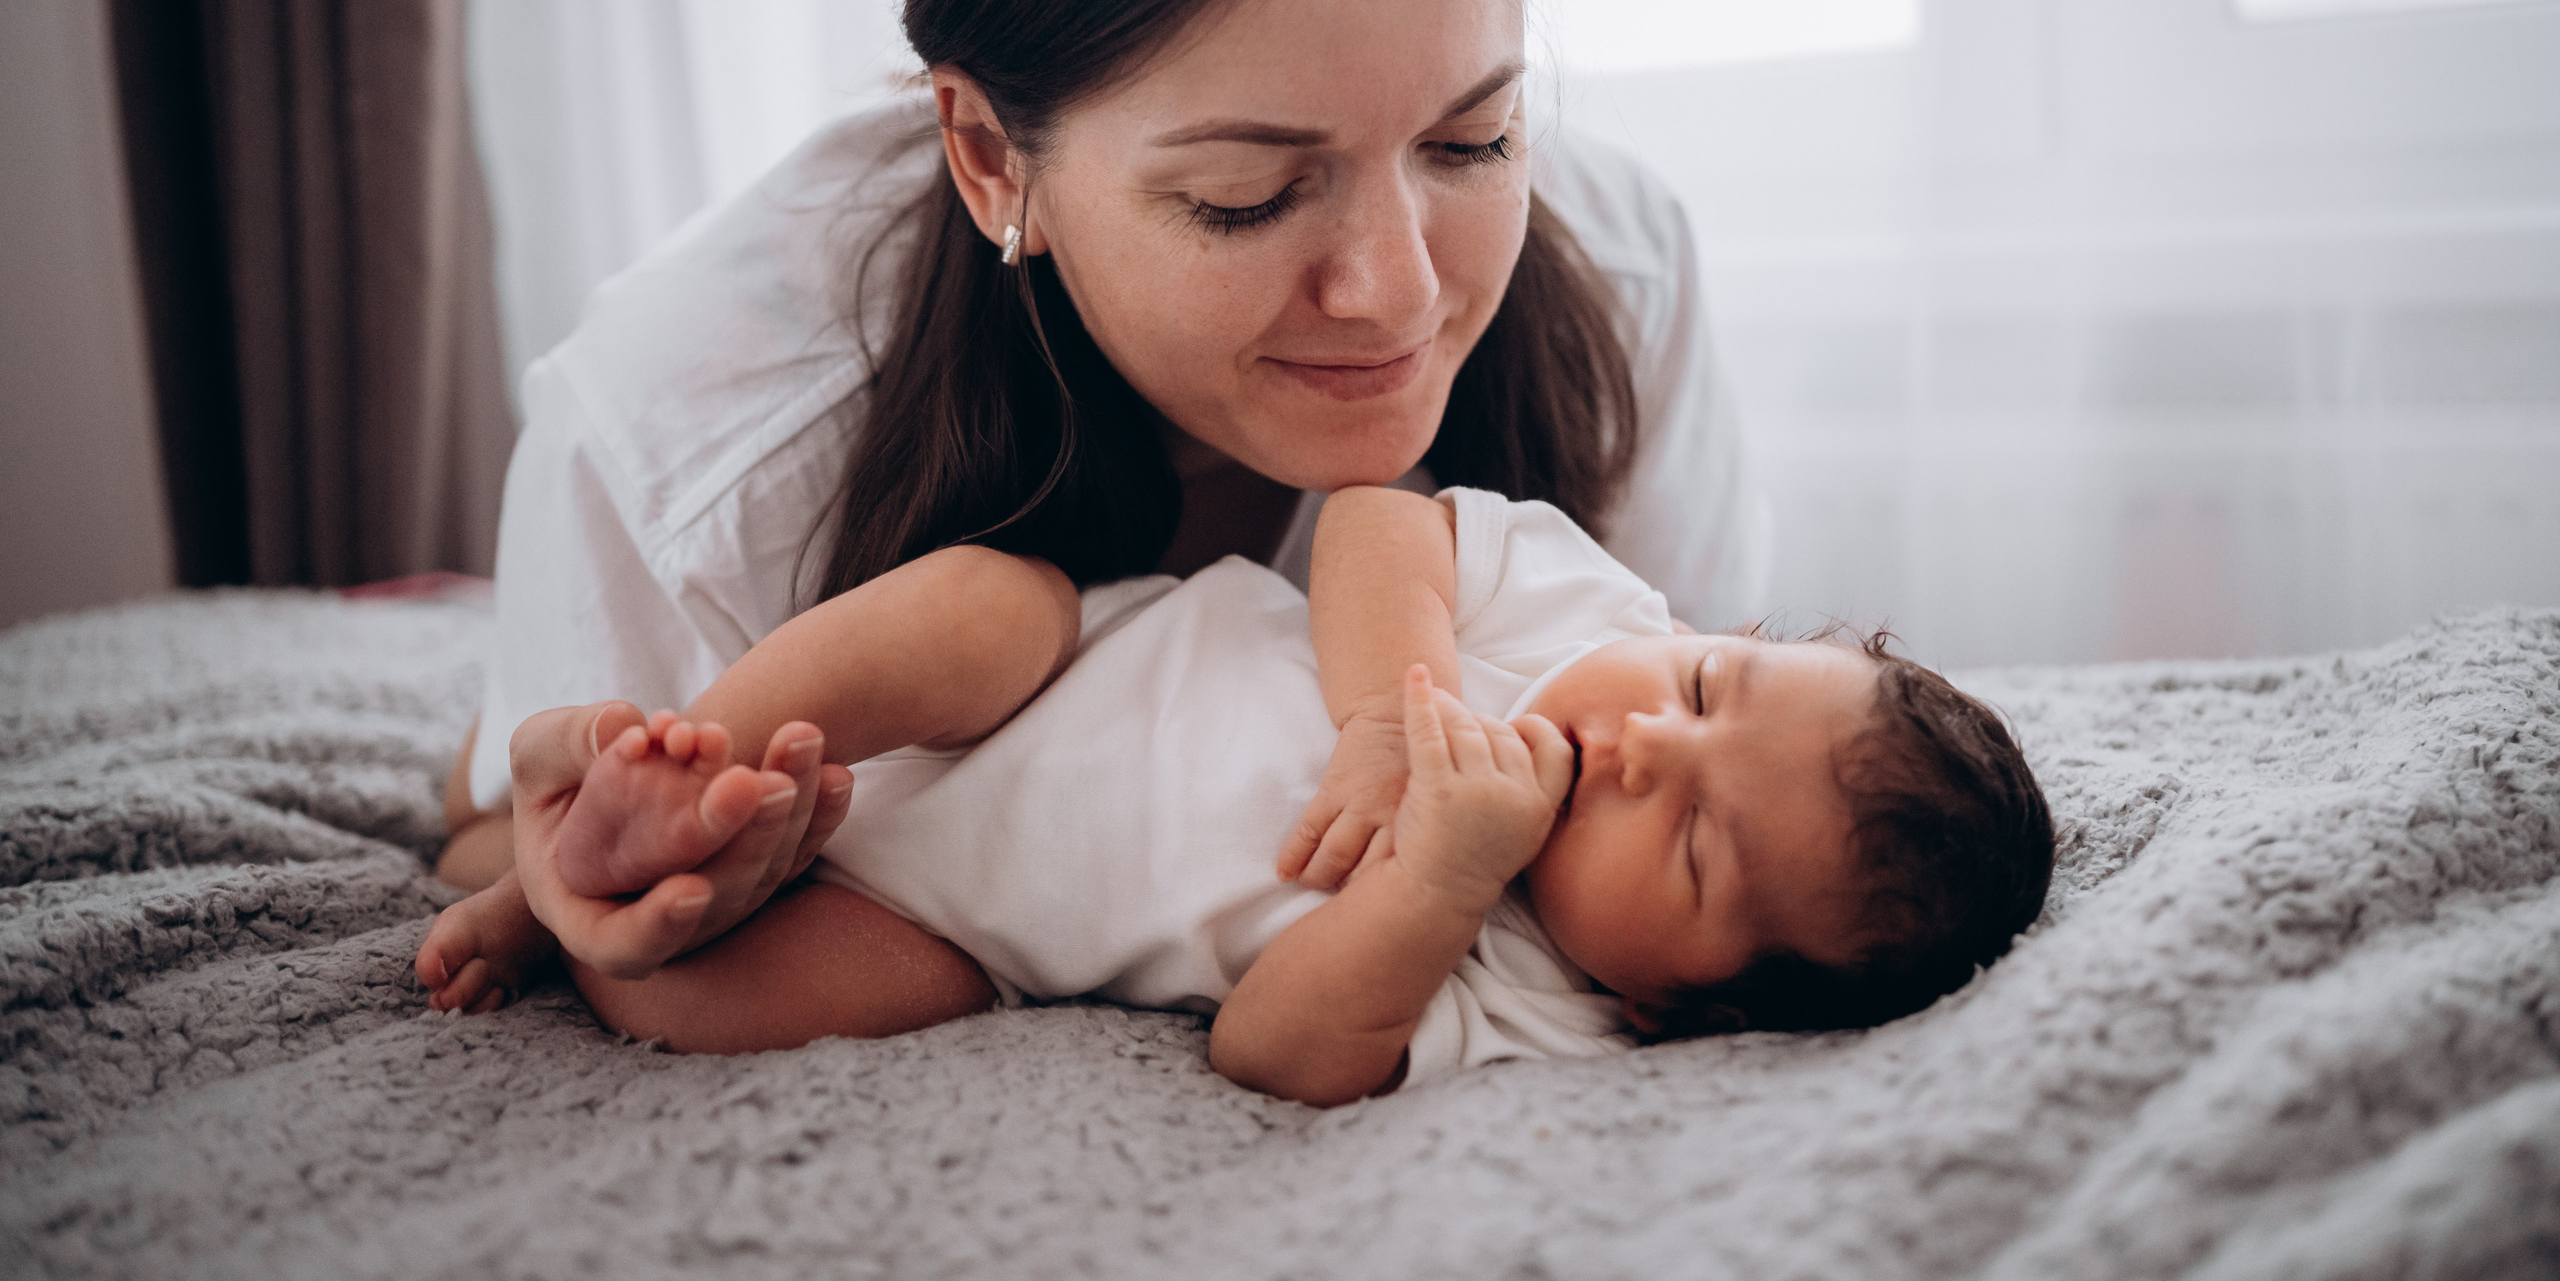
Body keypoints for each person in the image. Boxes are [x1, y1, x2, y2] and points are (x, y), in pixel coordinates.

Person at [428, 0, 1770, 1012]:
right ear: (992, 158)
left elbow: (1727, 801)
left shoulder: (1621, 274)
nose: (1401, 292)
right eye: (1247, 197)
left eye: (1473, 139)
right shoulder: (696, 452)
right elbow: (501, 851)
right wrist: (575, 874)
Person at [421, 486, 2055, 1107]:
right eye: (1706, 688)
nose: (1643, 745)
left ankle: (581, 892)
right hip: (1042, 670)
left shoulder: (1549, 1010)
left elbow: (1271, 1049)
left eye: (1692, 845)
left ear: (1682, 1013)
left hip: (953, 931)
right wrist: (1384, 714)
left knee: (712, 1004)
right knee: (985, 600)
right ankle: (613, 820)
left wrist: (1434, 883)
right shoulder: (1587, 611)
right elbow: (1378, 518)